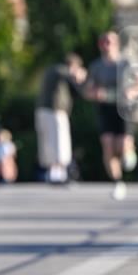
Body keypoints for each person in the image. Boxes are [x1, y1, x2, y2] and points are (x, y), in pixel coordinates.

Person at [86, 30, 138, 200]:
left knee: (121, 144)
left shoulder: (127, 63)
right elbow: (88, 91)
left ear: (117, 44)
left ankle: (129, 149)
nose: (107, 45)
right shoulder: (96, 66)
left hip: (124, 108)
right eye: (104, 41)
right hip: (105, 108)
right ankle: (118, 182)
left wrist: (133, 91)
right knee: (107, 145)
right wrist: (94, 94)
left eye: (110, 41)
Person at [35, 54, 87, 183]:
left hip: (46, 110)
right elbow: (66, 73)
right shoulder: (59, 70)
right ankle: (57, 173)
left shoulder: (53, 71)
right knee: (58, 142)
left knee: (50, 142)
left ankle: (55, 172)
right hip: (54, 111)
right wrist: (77, 75)